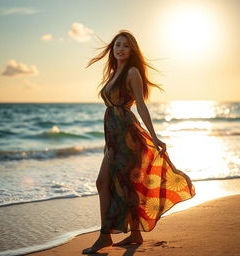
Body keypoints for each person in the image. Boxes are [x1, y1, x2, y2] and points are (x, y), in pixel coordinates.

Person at [82, 30, 196, 254]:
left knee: (108, 183)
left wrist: (154, 137)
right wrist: (108, 144)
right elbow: (111, 113)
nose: (120, 49)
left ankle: (105, 236)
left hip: (128, 137)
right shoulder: (114, 73)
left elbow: (140, 106)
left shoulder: (132, 72)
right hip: (115, 138)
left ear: (132, 50)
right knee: (120, 185)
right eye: (117, 45)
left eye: (125, 45)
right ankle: (135, 234)